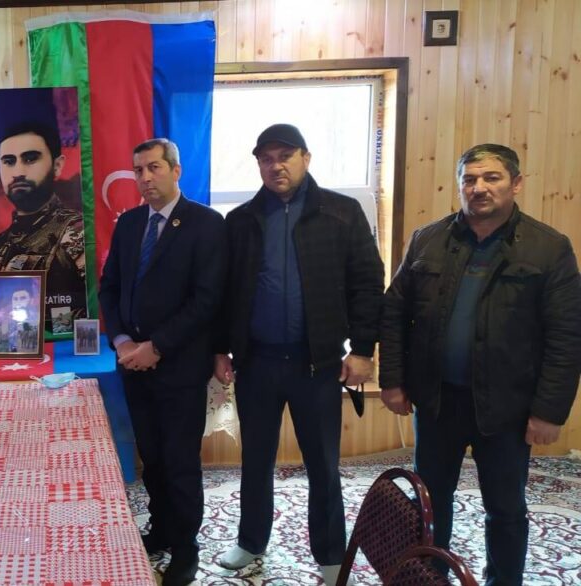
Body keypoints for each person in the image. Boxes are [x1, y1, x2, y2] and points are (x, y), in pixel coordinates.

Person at [379, 144, 581, 586]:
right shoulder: (427, 239)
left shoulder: (549, 249)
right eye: (469, 179)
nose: (479, 188)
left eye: (492, 177)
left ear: (516, 183)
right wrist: (391, 379)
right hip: (437, 402)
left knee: (505, 508)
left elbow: (567, 335)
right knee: (430, 503)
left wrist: (549, 411)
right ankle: (429, 577)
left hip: (507, 408)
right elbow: (393, 313)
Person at [214, 124, 384, 585]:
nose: (276, 166)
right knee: (256, 460)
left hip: (318, 365)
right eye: (266, 158)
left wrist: (363, 350)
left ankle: (330, 553)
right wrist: (220, 348)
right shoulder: (241, 220)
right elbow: (226, 291)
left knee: (323, 465)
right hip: (257, 363)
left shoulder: (342, 213)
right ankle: (251, 540)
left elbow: (368, 285)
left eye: (285, 156)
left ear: (306, 158)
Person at [99, 138, 226, 586]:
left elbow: (207, 300)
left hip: (179, 366)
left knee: (179, 462)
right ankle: (163, 528)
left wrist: (156, 347)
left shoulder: (206, 224)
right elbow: (110, 288)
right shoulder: (130, 223)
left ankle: (186, 546)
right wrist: (120, 341)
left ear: (175, 170)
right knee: (151, 456)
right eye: (138, 170)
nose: (145, 177)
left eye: (154, 167)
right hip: (133, 364)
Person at [0, 122, 87, 319]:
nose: (18, 171)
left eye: (30, 159)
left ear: (57, 166)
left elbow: (97, 305)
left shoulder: (76, 230)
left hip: (61, 337)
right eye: (9, 161)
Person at [0, 287, 40, 353]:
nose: (18, 302)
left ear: (31, 300)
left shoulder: (36, 320)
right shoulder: (5, 321)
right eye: (15, 299)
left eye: (23, 298)